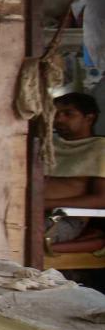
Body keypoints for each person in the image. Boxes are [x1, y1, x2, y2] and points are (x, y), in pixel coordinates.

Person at [45, 92, 105, 246]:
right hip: (32, 210)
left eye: (68, 114)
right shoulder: (50, 146)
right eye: (55, 114)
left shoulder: (99, 149)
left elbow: (101, 199)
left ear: (89, 118)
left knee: (15, 232)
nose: (59, 119)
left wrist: (45, 204)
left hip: (64, 219)